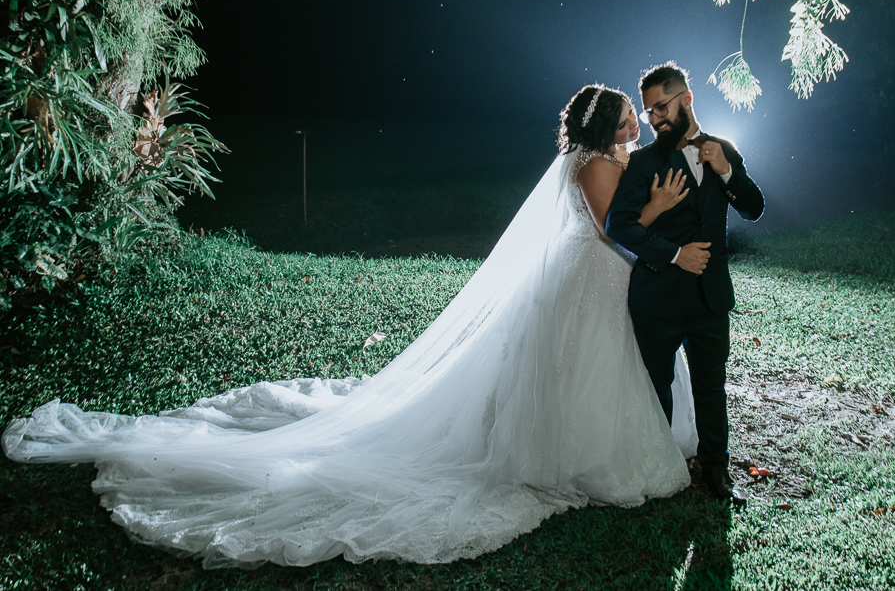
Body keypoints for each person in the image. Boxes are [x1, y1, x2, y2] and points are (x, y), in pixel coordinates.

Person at [3, 85, 698, 567]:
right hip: (589, 275)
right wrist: (662, 212)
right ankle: (580, 456)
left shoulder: (602, 159)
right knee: (584, 367)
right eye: (630, 119)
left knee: (591, 368)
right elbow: (613, 229)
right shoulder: (591, 166)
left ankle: (587, 444)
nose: (638, 124)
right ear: (608, 126)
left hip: (595, 276)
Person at [607, 62, 765, 504]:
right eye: (648, 112)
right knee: (656, 387)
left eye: (661, 107)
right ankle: (660, 469)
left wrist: (727, 172)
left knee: (711, 385)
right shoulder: (642, 163)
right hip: (657, 297)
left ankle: (716, 467)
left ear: (687, 99)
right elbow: (618, 225)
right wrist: (674, 253)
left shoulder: (724, 149)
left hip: (710, 298)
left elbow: (754, 207)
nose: (653, 119)